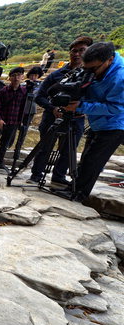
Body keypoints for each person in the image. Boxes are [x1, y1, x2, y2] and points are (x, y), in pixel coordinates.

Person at [62, 42, 124, 202]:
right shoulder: (96, 69)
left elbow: (117, 107)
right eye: (86, 68)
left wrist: (82, 106)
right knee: (86, 157)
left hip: (115, 124)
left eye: (93, 69)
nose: (90, 73)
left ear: (109, 60)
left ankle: (79, 194)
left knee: (93, 160)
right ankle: (73, 188)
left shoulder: (120, 77)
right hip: (98, 121)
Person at [28, 36, 93, 186]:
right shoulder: (56, 75)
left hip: (76, 118)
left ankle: (59, 176)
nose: (77, 54)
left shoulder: (91, 75)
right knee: (45, 147)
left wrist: (82, 107)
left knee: (68, 151)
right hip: (52, 118)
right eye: (74, 51)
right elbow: (39, 96)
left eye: (82, 51)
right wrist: (53, 108)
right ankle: (36, 174)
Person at [10, 66, 43, 160]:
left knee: (24, 130)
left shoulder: (40, 85)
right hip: (20, 108)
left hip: (31, 110)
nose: (33, 77)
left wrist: (33, 88)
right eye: (32, 75)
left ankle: (18, 148)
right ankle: (9, 145)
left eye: (36, 75)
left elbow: (36, 95)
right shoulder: (24, 84)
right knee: (13, 127)